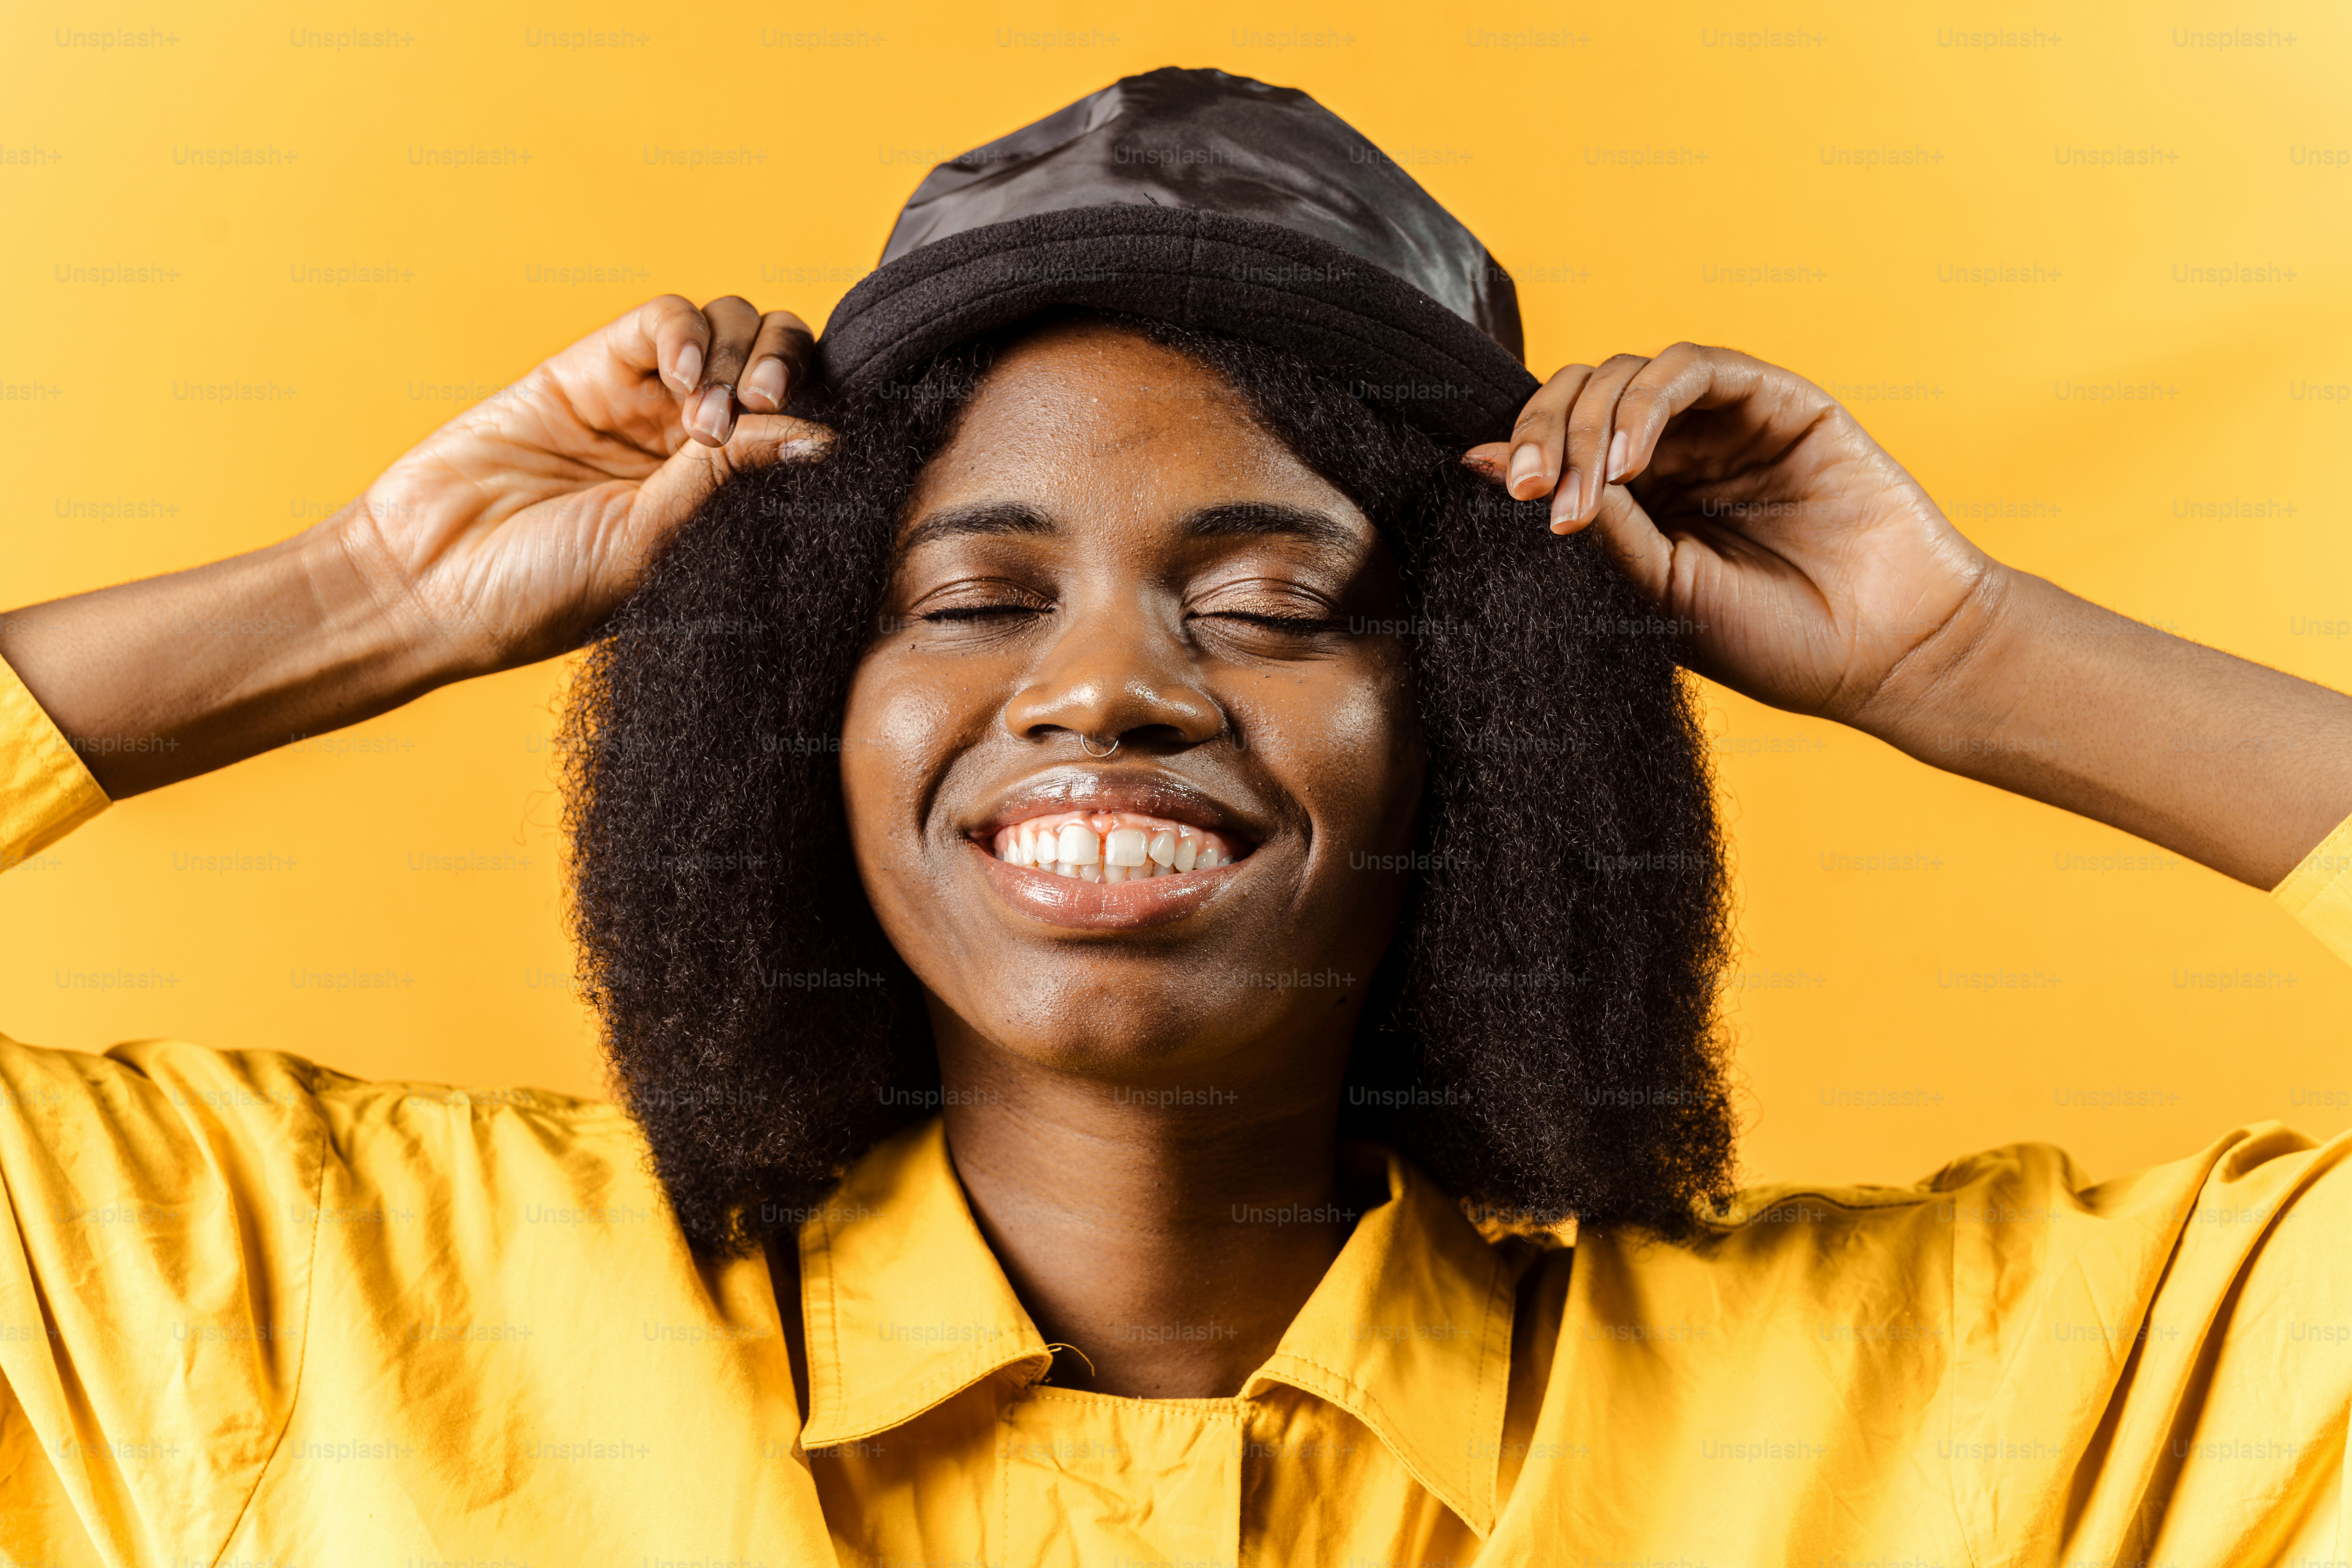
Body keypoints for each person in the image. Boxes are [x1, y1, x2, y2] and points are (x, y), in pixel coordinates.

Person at [2, 67, 2348, 1566]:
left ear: (1480, 730)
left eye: (1279, 598)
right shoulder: (306, 1328)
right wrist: (367, 592)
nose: (1106, 684)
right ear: (804, 707)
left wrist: (1967, 657)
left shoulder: (1957, 1411)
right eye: (972, 591)